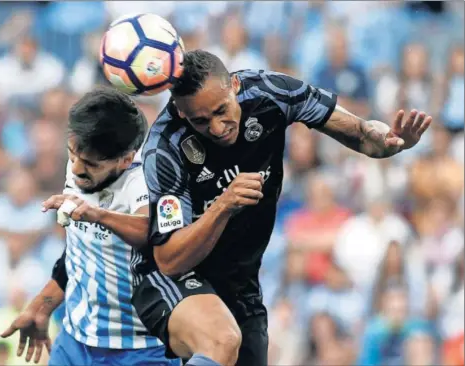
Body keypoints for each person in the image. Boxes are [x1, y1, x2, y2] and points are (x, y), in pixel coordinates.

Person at [130, 49, 432, 366]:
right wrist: (222, 206)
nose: (218, 128)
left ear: (234, 85)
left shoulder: (271, 93)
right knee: (220, 340)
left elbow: (362, 133)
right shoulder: (164, 148)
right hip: (171, 280)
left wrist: (389, 141)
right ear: (180, 113)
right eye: (201, 121)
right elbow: (169, 260)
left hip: (239, 280)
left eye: (221, 111)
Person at [0, 88, 180, 366]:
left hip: (141, 349)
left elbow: (155, 236)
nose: (76, 170)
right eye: (72, 156)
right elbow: (77, 252)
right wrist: (41, 306)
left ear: (125, 159)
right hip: (75, 341)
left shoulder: (150, 178)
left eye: (91, 164)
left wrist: (99, 215)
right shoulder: (79, 167)